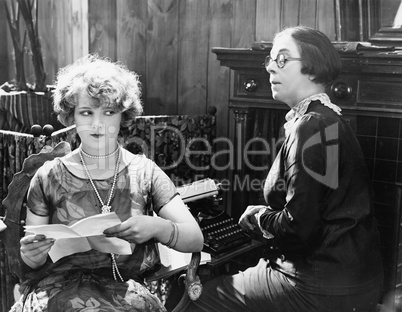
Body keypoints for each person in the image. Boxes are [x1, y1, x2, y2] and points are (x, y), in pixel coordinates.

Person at [187, 25, 384, 312]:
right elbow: (316, 208)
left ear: (312, 67)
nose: (270, 68)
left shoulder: (311, 126)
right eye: (270, 60)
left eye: (282, 59)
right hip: (355, 280)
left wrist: (261, 218)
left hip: (318, 285)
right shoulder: (326, 120)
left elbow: (299, 226)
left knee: (195, 297)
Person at [11, 54, 204, 312]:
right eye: (86, 112)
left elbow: (195, 239)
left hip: (125, 292)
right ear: (72, 116)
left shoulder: (145, 172)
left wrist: (157, 227)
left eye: (109, 112)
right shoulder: (48, 176)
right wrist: (30, 255)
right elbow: (32, 261)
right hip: (57, 293)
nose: (98, 124)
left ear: (123, 116)